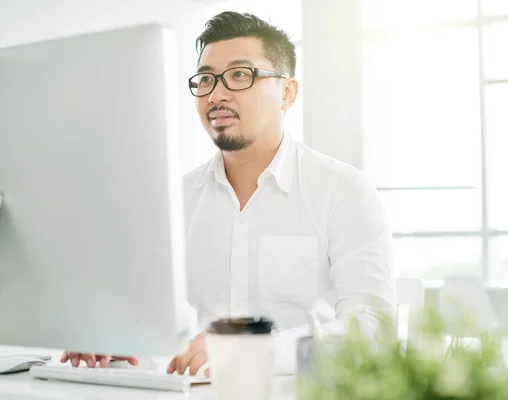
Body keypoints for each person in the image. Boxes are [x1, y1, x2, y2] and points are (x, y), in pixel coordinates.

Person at [61, 11, 396, 376]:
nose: (216, 94)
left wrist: (248, 351)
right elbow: (153, 324)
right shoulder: (176, 201)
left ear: (287, 92)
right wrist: (117, 342)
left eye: (240, 75)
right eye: (206, 79)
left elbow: (373, 330)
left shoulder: (344, 192)